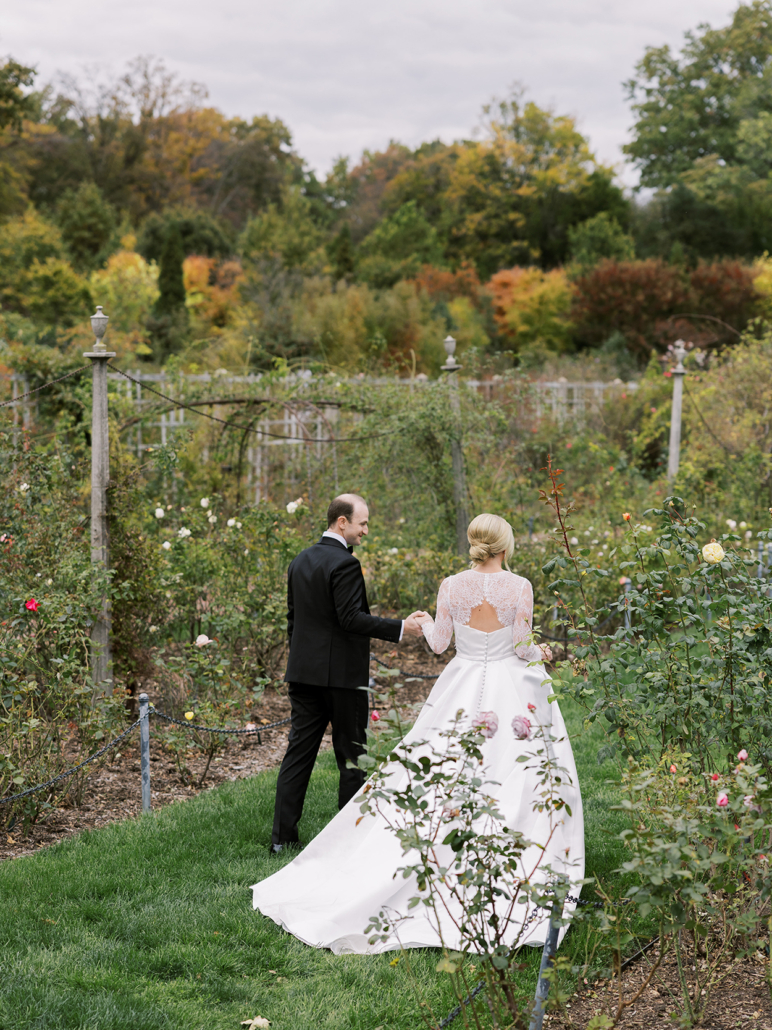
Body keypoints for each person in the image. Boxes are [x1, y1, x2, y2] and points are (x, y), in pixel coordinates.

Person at [252, 513, 584, 953]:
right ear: (505, 544)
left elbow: (439, 644)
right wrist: (544, 650)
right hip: (510, 685)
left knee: (439, 767)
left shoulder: (451, 585)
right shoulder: (520, 586)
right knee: (518, 770)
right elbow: (522, 648)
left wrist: (426, 622)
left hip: (461, 684)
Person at [269, 493, 427, 854]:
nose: (365, 530)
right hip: (342, 679)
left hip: (304, 675)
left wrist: (301, 663)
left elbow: (294, 622)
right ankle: (349, 837)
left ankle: (281, 839)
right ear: (342, 522)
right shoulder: (345, 565)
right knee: (352, 757)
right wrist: (402, 627)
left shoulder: (300, 560)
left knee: (298, 755)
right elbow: (350, 619)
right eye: (362, 523)